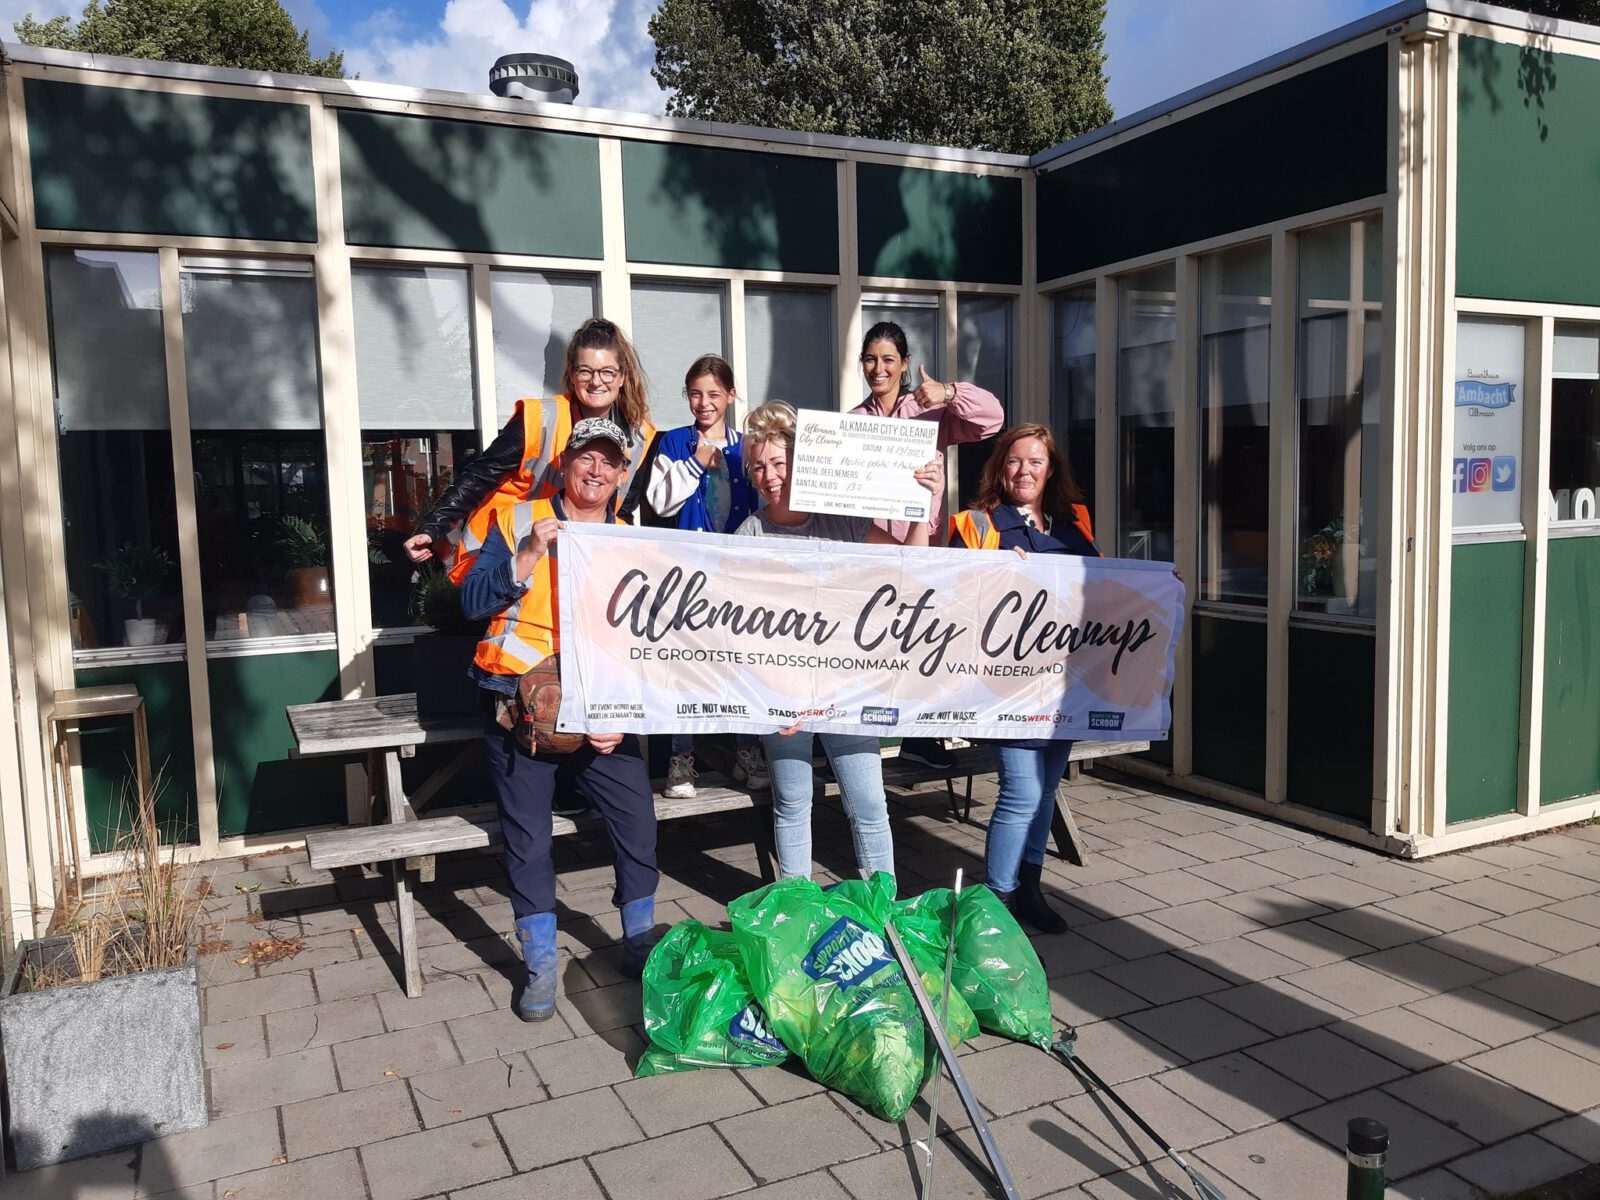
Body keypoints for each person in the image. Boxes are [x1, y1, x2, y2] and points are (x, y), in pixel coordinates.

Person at [460, 417, 659, 1022]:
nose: (595, 471)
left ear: (622, 474)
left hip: (600, 712)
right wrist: (524, 559)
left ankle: (639, 942)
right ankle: (540, 963)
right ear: (566, 464)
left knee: (637, 821)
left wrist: (619, 714)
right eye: (585, 459)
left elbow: (648, 641)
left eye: (609, 462)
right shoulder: (513, 518)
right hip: (519, 709)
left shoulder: (633, 541)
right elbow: (469, 602)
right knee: (528, 838)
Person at [734, 400, 941, 885]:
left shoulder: (842, 521)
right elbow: (738, 632)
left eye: (779, 462)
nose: (769, 475)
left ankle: (882, 912)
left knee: (869, 805)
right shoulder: (749, 534)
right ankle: (796, 912)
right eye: (759, 466)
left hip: (846, 686)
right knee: (792, 803)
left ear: (801, 461)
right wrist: (770, 696)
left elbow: (909, 571)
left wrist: (921, 508)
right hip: (783, 693)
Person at [949, 423, 1098, 934]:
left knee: (1047, 786)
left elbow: (1104, 586)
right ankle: (996, 906)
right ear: (999, 468)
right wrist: (989, 569)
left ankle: (1029, 888)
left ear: (1050, 469)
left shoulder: (1074, 522)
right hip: (1005, 685)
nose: (1024, 471)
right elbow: (945, 595)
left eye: (1036, 461)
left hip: (1063, 684)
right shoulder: (978, 524)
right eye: (1014, 461)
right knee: (1021, 792)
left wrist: (1158, 585)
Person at [852, 320, 1003, 771]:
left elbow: (993, 419)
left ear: (905, 365)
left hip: (922, 546)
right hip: (873, 548)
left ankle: (920, 737)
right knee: (872, 643)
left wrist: (951, 393)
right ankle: (857, 737)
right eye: (870, 359)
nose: (878, 368)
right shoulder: (854, 421)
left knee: (921, 642)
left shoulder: (927, 410)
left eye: (888, 360)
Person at [404, 318, 656, 575]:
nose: (596, 381)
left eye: (607, 372)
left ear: (622, 377)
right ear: (571, 374)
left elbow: (621, 510)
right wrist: (432, 527)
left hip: (573, 557)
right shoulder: (540, 418)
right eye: (585, 371)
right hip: (503, 548)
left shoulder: (639, 436)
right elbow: (479, 476)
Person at [644, 354, 768, 800]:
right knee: (686, 668)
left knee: (739, 663)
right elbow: (660, 504)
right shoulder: (674, 442)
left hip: (736, 577)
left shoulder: (746, 444)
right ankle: (681, 759)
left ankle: (747, 750)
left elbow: (762, 502)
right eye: (696, 393)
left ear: (731, 396)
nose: (704, 402)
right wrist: (694, 462)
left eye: (714, 393)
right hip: (686, 578)